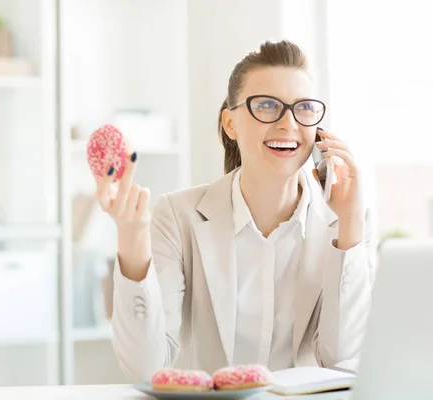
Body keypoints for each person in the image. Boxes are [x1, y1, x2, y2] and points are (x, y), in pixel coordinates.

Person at [95, 39, 376, 381]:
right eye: (268, 106)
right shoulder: (178, 215)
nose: (288, 124)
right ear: (230, 123)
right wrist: (132, 236)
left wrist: (348, 225)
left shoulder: (347, 221)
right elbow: (144, 367)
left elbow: (343, 359)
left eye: (303, 108)